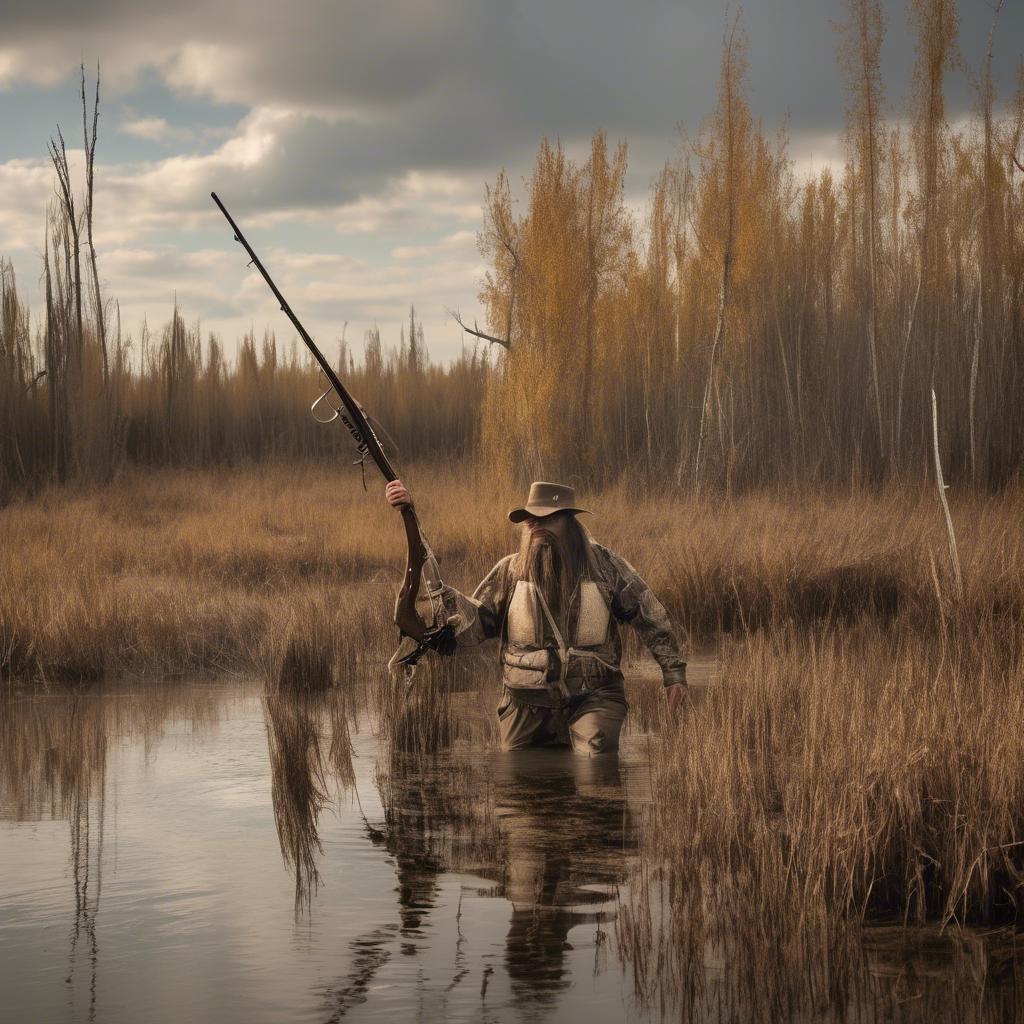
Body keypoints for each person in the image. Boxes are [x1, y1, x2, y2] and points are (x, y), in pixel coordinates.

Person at [385, 479, 688, 755]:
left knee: (596, 767)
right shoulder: (509, 571)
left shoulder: (606, 567)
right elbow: (475, 626)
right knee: (521, 788)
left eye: (549, 518)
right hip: (524, 701)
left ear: (569, 522)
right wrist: (440, 594)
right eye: (532, 519)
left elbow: (650, 615)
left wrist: (673, 674)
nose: (538, 526)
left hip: (594, 695)